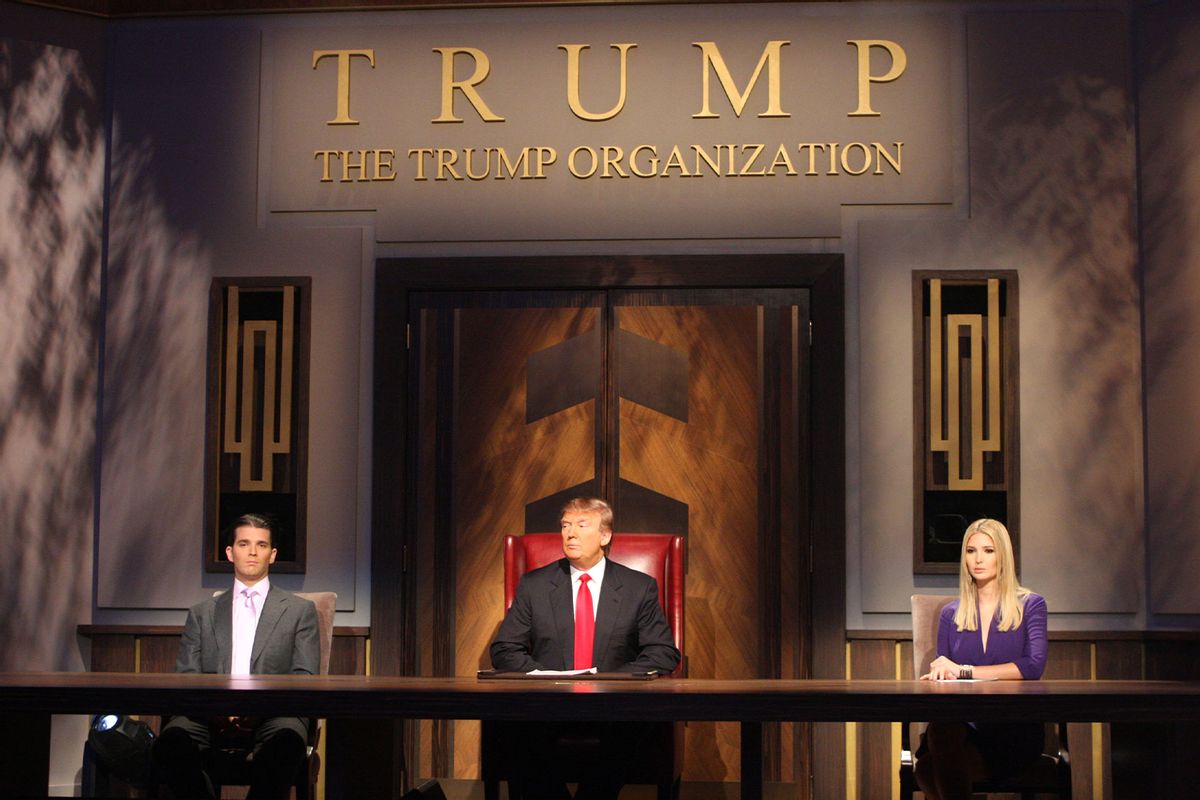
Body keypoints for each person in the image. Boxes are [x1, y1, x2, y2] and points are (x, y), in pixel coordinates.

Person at [489, 497, 680, 799]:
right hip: (548, 703)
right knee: (516, 730)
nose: (570, 534)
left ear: (605, 536)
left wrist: (611, 681)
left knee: (632, 727)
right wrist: (542, 675)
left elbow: (662, 652)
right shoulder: (535, 586)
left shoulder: (638, 587)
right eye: (565, 525)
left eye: (581, 525)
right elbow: (504, 650)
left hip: (613, 706)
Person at [153, 514, 319, 800]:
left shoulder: (299, 611)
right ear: (230, 553)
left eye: (261, 545)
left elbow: (304, 677)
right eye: (244, 543)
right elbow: (187, 675)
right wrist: (216, 710)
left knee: (288, 741)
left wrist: (258, 711)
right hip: (208, 714)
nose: (253, 552)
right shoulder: (201, 613)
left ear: (273, 554)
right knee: (171, 741)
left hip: (274, 714)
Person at [915, 518, 1048, 800]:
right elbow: (944, 669)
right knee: (943, 731)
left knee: (928, 770)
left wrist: (964, 671)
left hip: (1012, 725)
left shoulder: (1031, 605)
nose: (978, 559)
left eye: (988, 551)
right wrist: (940, 670)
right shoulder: (951, 614)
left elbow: (1033, 666)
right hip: (963, 724)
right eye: (970, 551)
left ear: (1003, 555)